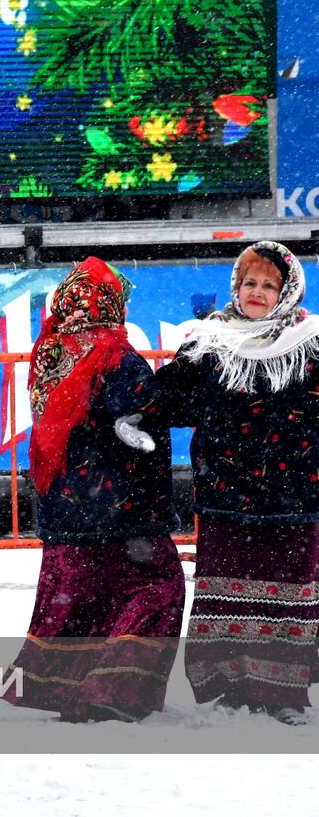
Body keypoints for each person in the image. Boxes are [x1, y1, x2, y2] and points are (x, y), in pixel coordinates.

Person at [7, 258, 184, 722]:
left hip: (66, 512)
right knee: (156, 588)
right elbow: (141, 417)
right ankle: (114, 688)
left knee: (79, 601)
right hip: (121, 510)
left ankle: (57, 689)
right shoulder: (115, 356)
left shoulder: (51, 350)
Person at [153, 241, 319, 725]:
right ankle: (230, 685)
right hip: (227, 492)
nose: (257, 292)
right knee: (227, 589)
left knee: (286, 590)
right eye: (250, 283)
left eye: (269, 285)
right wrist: (124, 404)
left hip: (293, 493)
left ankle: (284, 693)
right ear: (236, 287)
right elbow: (171, 400)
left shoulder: (309, 342)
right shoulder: (209, 340)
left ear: (286, 291)